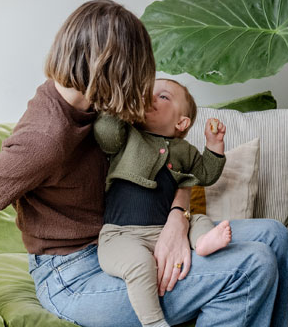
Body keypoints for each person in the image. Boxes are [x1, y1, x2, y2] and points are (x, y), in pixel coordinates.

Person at [0, 0, 288, 327]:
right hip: (75, 273)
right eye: (137, 72)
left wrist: (179, 218)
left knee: (274, 235)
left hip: (136, 232)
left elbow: (170, 159)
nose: (143, 85)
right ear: (109, 69)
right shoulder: (46, 138)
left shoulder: (97, 103)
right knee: (251, 265)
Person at [95, 78, 234, 327]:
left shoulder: (186, 150)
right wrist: (121, 103)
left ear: (181, 123)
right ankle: (154, 323)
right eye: (147, 92)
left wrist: (214, 146)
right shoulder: (127, 136)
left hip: (165, 235)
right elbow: (105, 135)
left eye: (163, 96)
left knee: (199, 219)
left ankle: (202, 242)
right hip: (120, 236)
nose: (149, 97)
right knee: (139, 263)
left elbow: (205, 174)